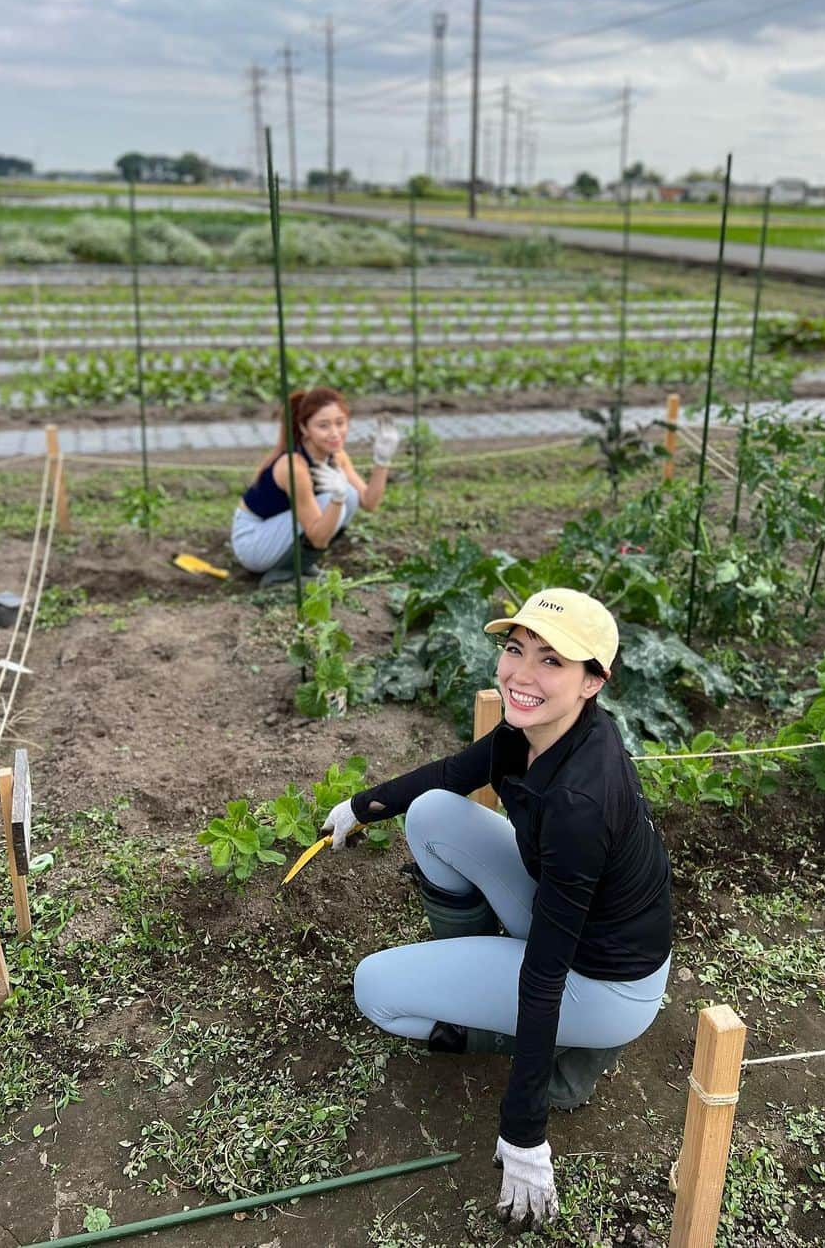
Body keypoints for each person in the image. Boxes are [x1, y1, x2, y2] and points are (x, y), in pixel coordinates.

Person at [321, 588, 674, 1228]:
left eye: (551, 661)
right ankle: (485, 977)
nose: (521, 674)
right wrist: (361, 807)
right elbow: (452, 773)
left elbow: (543, 975)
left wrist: (523, 1134)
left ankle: (562, 1046)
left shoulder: (580, 804)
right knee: (430, 814)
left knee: (376, 991)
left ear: (594, 680)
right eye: (516, 650)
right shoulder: (540, 731)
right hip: (580, 921)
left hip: (603, 981)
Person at [231, 387, 400, 585]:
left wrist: (382, 460)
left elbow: (369, 502)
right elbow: (317, 536)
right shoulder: (294, 467)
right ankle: (281, 576)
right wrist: (337, 499)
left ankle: (302, 565)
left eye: (340, 423)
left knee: (351, 496)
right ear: (304, 428)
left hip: (279, 531)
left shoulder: (337, 456)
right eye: (323, 426)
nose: (335, 433)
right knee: (332, 501)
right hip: (253, 541)